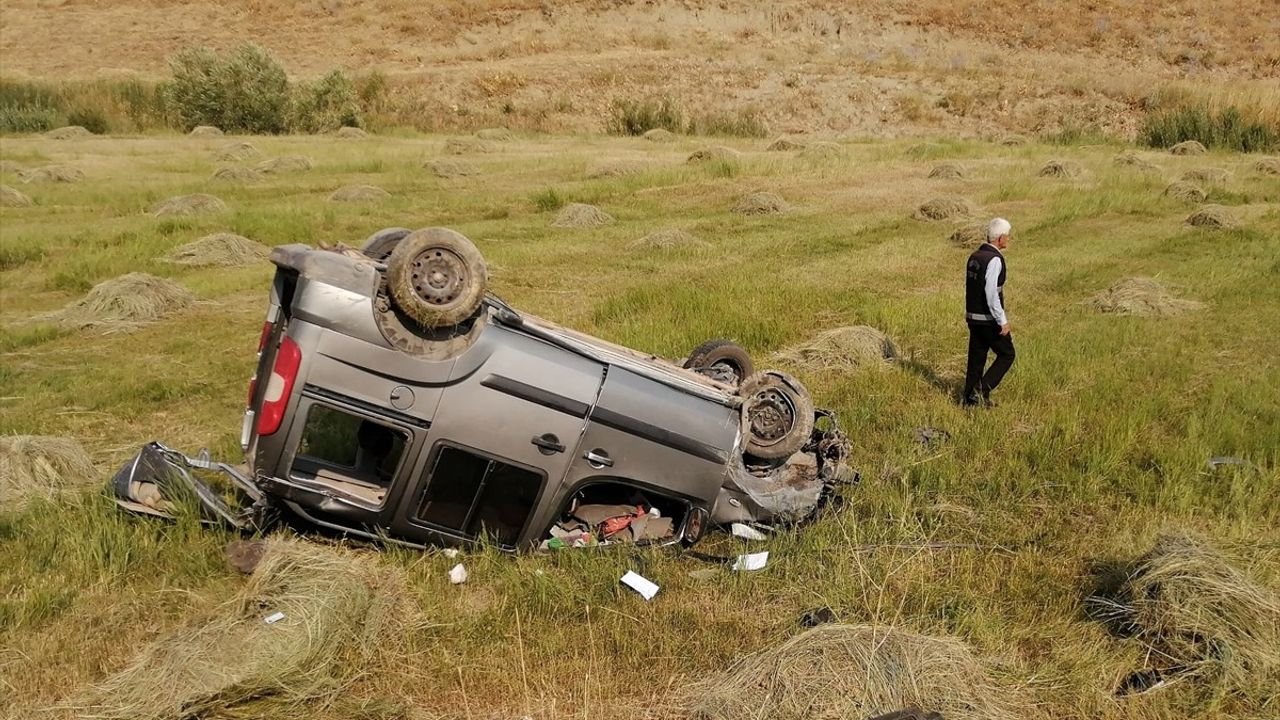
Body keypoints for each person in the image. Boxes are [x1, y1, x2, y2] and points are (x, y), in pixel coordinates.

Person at [962, 218, 1015, 407]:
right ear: (1000, 239)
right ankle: (981, 391)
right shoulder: (994, 259)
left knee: (977, 358)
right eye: (1007, 237)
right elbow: (991, 293)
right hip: (988, 319)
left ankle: (968, 400)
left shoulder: (974, 256)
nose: (1008, 240)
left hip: (972, 317)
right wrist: (1002, 320)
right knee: (1007, 354)